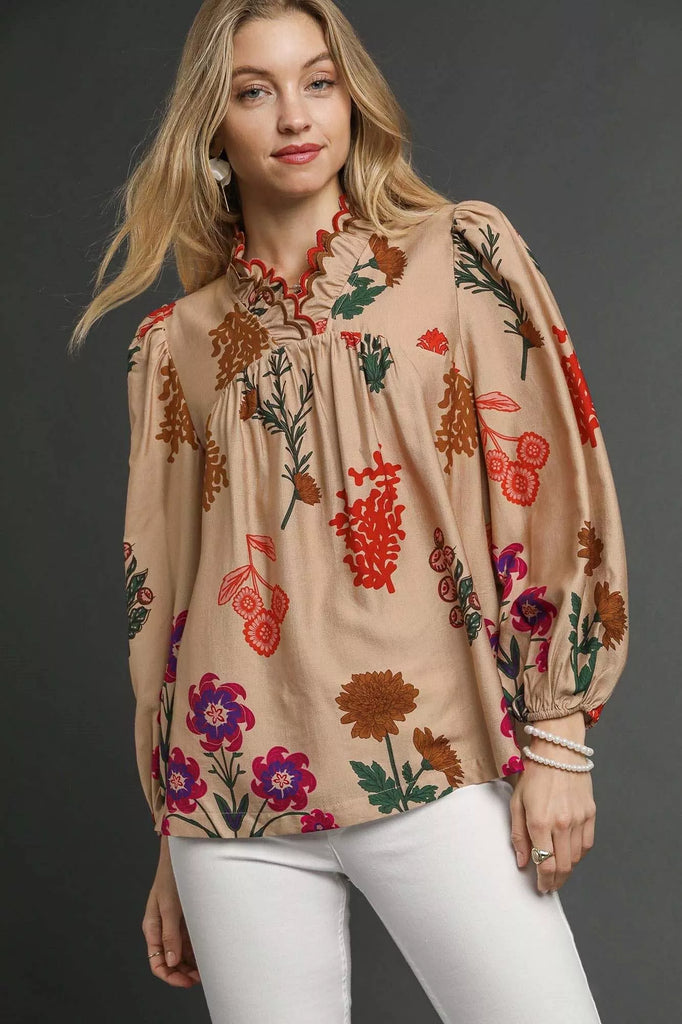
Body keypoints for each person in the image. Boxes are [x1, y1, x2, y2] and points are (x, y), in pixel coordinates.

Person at [69, 2, 630, 1021]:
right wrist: (173, 828)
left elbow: (549, 495)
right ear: (213, 127)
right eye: (255, 91)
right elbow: (168, 602)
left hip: (434, 759)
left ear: (351, 99)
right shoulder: (175, 345)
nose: (295, 115)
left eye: (318, 81)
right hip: (232, 801)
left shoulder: (458, 256)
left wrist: (558, 737)